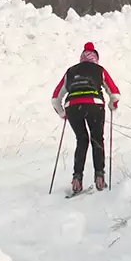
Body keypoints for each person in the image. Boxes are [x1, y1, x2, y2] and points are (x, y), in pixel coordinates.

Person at [51, 42, 121, 193]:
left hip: (73, 107)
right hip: (94, 105)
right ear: (96, 58)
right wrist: (112, 105)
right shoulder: (99, 70)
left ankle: (77, 179)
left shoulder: (70, 71)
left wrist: (62, 113)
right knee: (97, 139)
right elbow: (114, 93)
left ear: (81, 58)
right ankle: (100, 177)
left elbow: (56, 98)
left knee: (82, 140)